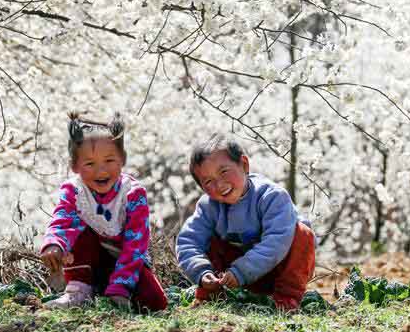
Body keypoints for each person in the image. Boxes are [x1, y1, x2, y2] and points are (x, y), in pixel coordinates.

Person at [39, 112, 168, 311]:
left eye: (109, 161)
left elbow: (136, 245)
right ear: (74, 165)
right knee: (76, 229)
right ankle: (79, 290)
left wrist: (121, 286)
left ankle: (107, 287)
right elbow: (62, 220)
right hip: (88, 257)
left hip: (124, 259)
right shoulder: (74, 191)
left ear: (122, 159)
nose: (101, 171)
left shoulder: (133, 194)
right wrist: (54, 243)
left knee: (155, 302)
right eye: (90, 164)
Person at [175, 134, 315, 310]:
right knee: (208, 238)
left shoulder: (272, 197)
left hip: (279, 271)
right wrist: (202, 273)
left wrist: (240, 271)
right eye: (208, 181)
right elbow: (188, 241)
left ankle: (286, 300)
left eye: (224, 171)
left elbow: (276, 243)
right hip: (233, 277)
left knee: (302, 233)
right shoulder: (208, 207)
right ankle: (211, 294)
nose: (219, 185)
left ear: (244, 164)